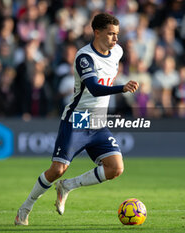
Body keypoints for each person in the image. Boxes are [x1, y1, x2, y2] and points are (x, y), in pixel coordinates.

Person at [14, 13, 139, 226]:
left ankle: (68, 186)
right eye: (110, 34)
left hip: (98, 120)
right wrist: (122, 87)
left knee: (116, 168)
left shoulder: (117, 51)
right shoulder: (84, 57)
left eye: (117, 34)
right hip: (78, 119)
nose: (115, 39)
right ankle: (25, 208)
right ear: (97, 32)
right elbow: (94, 88)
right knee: (57, 169)